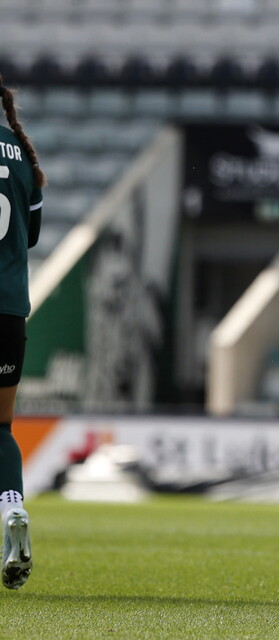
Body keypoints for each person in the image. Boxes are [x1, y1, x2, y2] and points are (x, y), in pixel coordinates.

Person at [0, 74, 44, 590]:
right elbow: (28, 236)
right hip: (9, 312)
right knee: (1, 427)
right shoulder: (21, 154)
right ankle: (13, 507)